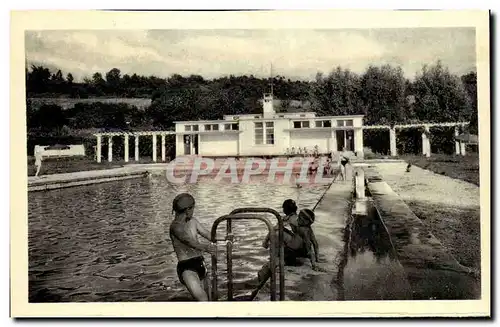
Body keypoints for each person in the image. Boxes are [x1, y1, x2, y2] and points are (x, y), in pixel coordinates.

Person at [169, 193, 224, 301]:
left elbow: (208, 234)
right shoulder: (175, 227)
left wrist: (225, 238)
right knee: (202, 299)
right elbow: (188, 241)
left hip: (200, 263)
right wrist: (205, 248)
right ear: (188, 210)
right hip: (187, 268)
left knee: (210, 298)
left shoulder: (193, 221)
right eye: (193, 209)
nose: (193, 211)